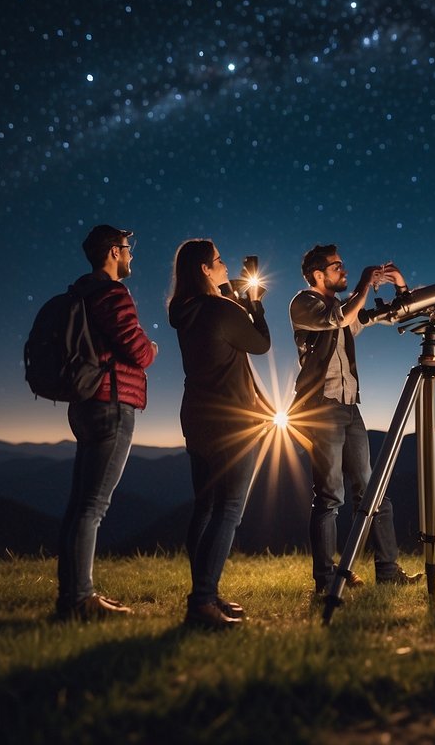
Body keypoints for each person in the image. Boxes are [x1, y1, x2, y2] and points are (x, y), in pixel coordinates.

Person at [290, 244, 423, 595]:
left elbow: (386, 316)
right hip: (321, 408)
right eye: (337, 266)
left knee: (373, 489)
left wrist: (399, 285)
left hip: (350, 407)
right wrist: (364, 284)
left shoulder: (343, 308)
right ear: (319, 275)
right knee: (330, 496)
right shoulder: (304, 303)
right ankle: (326, 579)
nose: (344, 270)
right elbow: (336, 320)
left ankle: (388, 570)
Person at [56, 225, 158, 621]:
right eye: (128, 248)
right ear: (114, 252)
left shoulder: (80, 294)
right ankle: (80, 598)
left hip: (84, 402)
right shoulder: (111, 292)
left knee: (81, 504)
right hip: (111, 403)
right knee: (93, 507)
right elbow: (137, 351)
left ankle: (73, 594)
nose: (131, 255)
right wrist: (149, 347)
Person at [168, 239, 271, 629]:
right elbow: (260, 344)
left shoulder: (186, 310)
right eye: (218, 261)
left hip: (197, 418)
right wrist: (256, 303)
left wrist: (230, 295)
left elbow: (226, 331)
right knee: (229, 509)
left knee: (205, 507)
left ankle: (205, 592)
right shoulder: (218, 309)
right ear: (204, 270)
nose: (225, 264)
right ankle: (203, 601)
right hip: (234, 422)